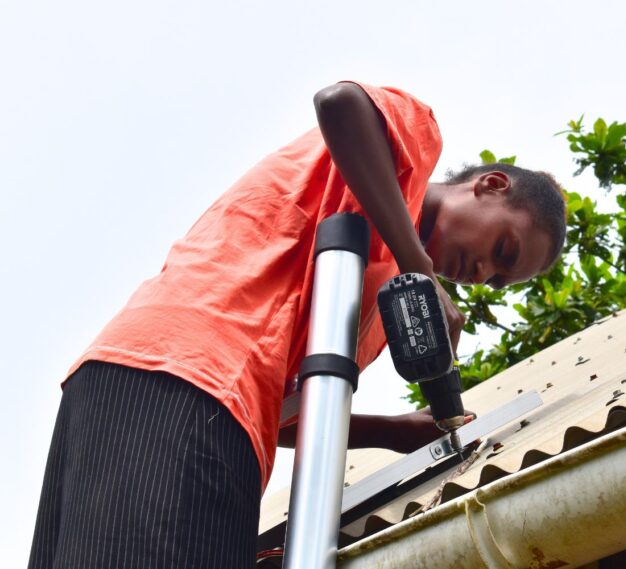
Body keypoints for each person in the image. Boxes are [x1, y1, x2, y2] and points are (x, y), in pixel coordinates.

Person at [29, 80, 567, 568]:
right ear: (490, 185)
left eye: (498, 279)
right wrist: (417, 264)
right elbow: (341, 103)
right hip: (183, 373)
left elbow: (277, 412)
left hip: (175, 397)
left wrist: (393, 431)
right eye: (502, 248)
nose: (482, 272)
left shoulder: (371, 314)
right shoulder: (406, 149)